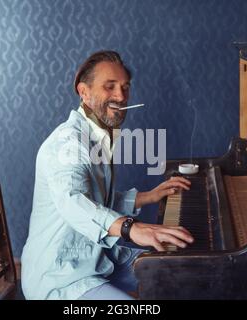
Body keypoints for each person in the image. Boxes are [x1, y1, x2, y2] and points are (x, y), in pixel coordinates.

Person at [21, 50, 193, 300]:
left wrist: (148, 196)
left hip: (100, 258)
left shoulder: (99, 136)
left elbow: (97, 201)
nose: (121, 96)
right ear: (84, 92)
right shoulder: (66, 143)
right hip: (61, 278)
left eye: (125, 87)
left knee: (179, 274)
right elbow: (74, 202)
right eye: (109, 87)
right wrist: (130, 228)